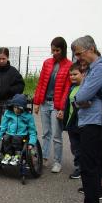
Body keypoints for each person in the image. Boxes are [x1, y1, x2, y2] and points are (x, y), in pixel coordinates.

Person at [69, 35, 102, 203]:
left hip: (96, 123)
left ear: (91, 49)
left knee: (90, 165)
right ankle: (90, 200)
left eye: (79, 54)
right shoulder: (93, 69)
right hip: (90, 121)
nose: (77, 58)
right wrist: (80, 99)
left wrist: (80, 99)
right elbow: (79, 97)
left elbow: (82, 95)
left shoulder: (101, 69)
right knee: (88, 163)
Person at [33, 37, 72, 174]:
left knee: (56, 135)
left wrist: (61, 108)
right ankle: (44, 158)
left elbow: (67, 89)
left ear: (63, 50)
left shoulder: (69, 65)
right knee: (45, 133)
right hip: (44, 103)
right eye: (52, 50)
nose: (54, 53)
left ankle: (57, 162)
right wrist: (36, 103)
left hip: (56, 105)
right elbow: (41, 84)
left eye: (57, 50)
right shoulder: (47, 63)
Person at [0, 94, 37, 165]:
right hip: (9, 133)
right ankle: (8, 155)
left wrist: (31, 143)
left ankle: (17, 155)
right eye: (15, 107)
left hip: (22, 134)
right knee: (5, 138)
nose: (17, 110)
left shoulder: (28, 116)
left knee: (16, 138)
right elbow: (2, 127)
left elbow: (32, 131)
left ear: (23, 108)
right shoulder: (8, 113)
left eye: (19, 108)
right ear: (12, 106)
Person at [63, 63, 84, 179]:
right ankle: (78, 166)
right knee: (74, 146)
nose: (72, 77)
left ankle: (82, 168)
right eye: (70, 75)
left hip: (82, 122)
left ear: (83, 74)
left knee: (82, 147)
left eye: (75, 74)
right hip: (71, 121)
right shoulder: (72, 87)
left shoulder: (86, 87)